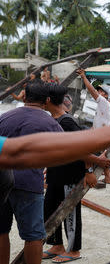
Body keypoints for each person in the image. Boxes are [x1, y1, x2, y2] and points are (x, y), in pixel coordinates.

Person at [43, 83, 110, 263]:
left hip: (70, 176)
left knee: (70, 213)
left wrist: (90, 169)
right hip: (55, 174)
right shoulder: (54, 120)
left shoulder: (67, 121)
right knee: (51, 209)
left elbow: (83, 147)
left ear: (48, 100)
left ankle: (74, 250)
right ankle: (57, 244)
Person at [0, 80, 64, 264]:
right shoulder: (50, 123)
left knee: (1, 231)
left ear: (25, 96)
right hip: (29, 183)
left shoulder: (5, 116)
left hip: (2, 181)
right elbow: (68, 147)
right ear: (47, 100)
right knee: (34, 235)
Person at [77, 68, 110, 183]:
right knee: (100, 156)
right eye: (99, 91)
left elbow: (92, 91)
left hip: (103, 135)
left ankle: (91, 174)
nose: (98, 93)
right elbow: (97, 122)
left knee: (90, 154)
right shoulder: (102, 105)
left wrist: (83, 77)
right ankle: (107, 177)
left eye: (101, 91)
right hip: (101, 134)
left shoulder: (104, 102)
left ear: (105, 95)